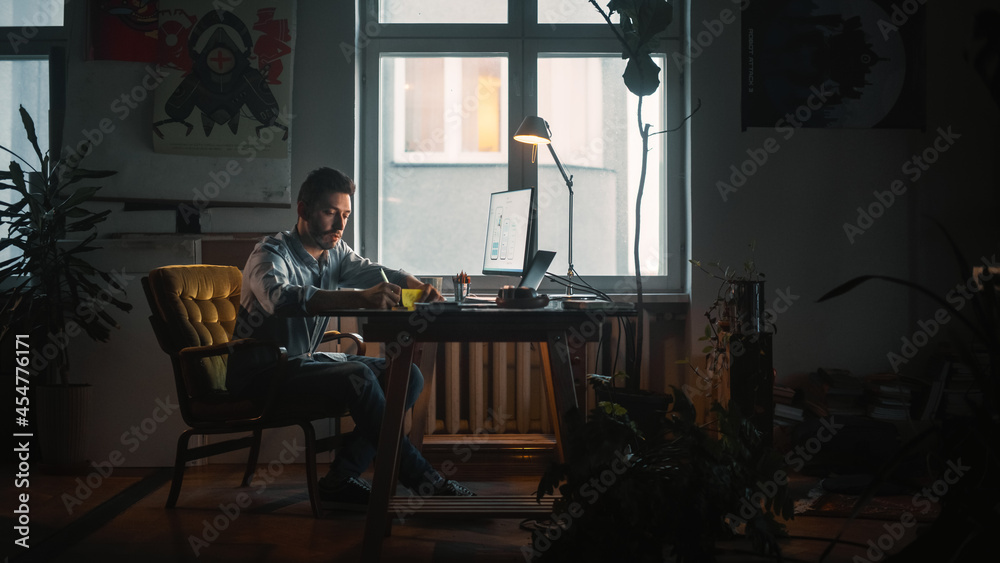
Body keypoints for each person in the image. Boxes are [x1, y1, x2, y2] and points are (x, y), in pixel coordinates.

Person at [229, 166, 474, 508]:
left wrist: (413, 284)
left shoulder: (335, 253)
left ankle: (341, 478)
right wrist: (357, 298)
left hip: (303, 363)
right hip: (263, 372)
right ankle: (423, 478)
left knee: (407, 376)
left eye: (344, 214)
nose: (340, 224)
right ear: (303, 210)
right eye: (330, 213)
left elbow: (373, 270)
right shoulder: (269, 253)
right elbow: (279, 299)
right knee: (357, 374)